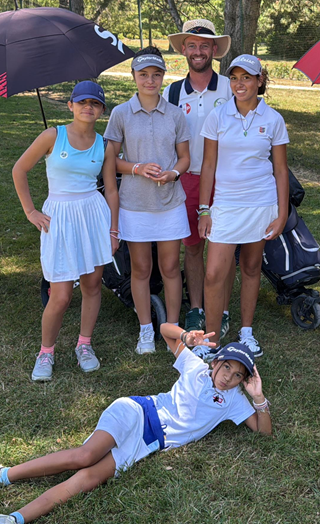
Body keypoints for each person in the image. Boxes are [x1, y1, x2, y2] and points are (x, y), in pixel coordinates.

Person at [0, 324, 272, 524]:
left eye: (238, 375)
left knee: (86, 480)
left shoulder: (234, 401)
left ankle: (13, 519)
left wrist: (258, 397)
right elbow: (163, 330)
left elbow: (264, 431)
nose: (229, 377)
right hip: (137, 411)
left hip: (147, 443)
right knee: (84, 456)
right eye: (227, 368)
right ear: (216, 362)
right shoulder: (195, 366)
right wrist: (186, 336)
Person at [12, 81, 119, 381]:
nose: (88, 107)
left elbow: (111, 190)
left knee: (92, 285)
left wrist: (113, 230)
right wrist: (31, 211)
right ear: (70, 105)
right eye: (82, 102)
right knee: (59, 295)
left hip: (93, 216)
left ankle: (84, 345)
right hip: (59, 216)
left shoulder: (104, 145)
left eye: (95, 103)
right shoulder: (52, 136)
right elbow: (19, 170)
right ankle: (46, 351)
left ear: (101, 110)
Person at [198, 55, 290, 358]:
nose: (240, 84)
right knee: (214, 274)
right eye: (235, 77)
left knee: (251, 268)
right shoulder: (218, 116)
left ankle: (246, 333)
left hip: (261, 204)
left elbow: (280, 170)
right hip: (225, 205)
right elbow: (208, 165)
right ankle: (211, 343)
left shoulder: (273, 119)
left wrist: (282, 212)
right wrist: (204, 209)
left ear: (260, 80)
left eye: (247, 77)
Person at [105, 47, 191, 354]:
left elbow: (184, 158)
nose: (150, 81)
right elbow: (110, 160)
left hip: (169, 202)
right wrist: (137, 168)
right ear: (134, 77)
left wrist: (173, 174)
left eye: (156, 75)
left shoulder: (176, 114)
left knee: (170, 268)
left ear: (163, 77)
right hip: (134, 203)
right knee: (140, 269)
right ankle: (145, 329)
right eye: (144, 75)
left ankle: (173, 332)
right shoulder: (120, 114)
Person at [164, 19, 235, 350]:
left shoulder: (229, 87)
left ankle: (222, 307)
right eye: (191, 45)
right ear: (183, 50)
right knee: (192, 246)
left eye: (204, 45)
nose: (198, 51)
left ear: (215, 50)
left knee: (225, 247)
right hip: (188, 177)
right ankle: (195, 309)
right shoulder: (173, 92)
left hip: (228, 180)